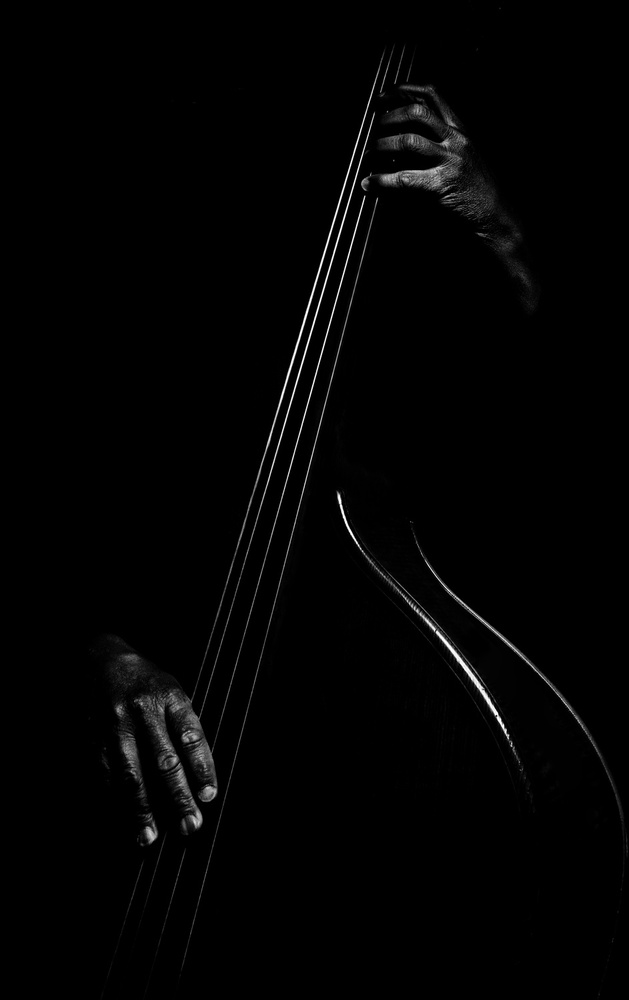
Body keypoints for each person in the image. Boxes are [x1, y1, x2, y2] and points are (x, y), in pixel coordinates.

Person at [82, 79, 541, 850]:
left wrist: (500, 231)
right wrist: (100, 647)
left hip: (388, 693)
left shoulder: (449, 162)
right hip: (170, 640)